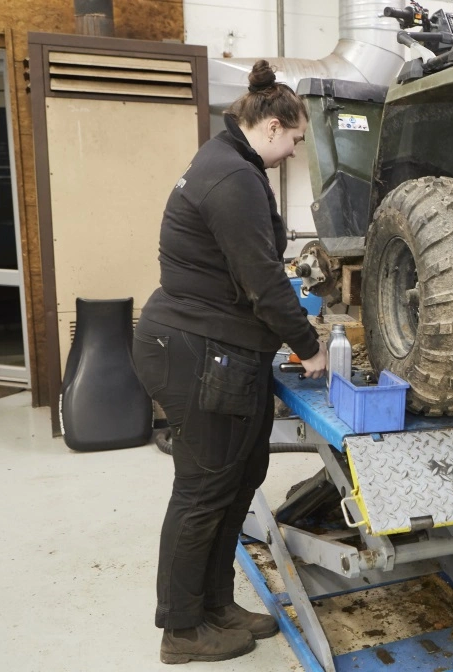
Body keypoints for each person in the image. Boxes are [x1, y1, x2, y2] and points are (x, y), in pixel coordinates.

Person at [131, 59, 327, 665]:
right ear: (272, 125)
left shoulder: (231, 162)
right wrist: (310, 346)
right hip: (197, 351)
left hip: (217, 348)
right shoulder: (234, 178)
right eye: (295, 139)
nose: (295, 151)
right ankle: (182, 629)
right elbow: (263, 283)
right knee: (203, 490)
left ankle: (215, 604)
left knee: (239, 477)